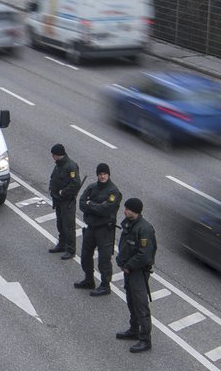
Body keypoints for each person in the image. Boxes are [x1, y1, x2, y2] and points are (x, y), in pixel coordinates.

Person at [114, 198, 157, 353]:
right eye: (125, 208)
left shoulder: (145, 229)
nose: (125, 211)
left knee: (140, 305)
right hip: (128, 270)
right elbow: (124, 245)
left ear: (136, 211)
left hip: (138, 272)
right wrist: (120, 260)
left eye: (128, 209)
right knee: (131, 301)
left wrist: (129, 265)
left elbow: (145, 255)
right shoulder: (128, 223)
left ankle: (145, 340)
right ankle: (134, 330)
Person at [74, 163, 122, 296]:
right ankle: (89, 279)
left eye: (104, 174)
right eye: (100, 174)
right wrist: (94, 206)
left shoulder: (113, 191)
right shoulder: (92, 187)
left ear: (108, 174)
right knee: (85, 256)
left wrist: (91, 205)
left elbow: (106, 209)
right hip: (91, 227)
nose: (102, 176)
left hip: (105, 230)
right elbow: (82, 203)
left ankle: (105, 285)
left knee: (104, 260)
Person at [48, 143, 81, 259]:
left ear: (58, 155)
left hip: (67, 201)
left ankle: (71, 250)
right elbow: (54, 178)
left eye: (53, 155)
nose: (52, 157)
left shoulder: (70, 166)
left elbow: (75, 183)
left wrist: (63, 192)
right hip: (58, 200)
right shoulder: (59, 165)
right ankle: (62, 244)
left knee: (68, 226)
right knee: (60, 224)